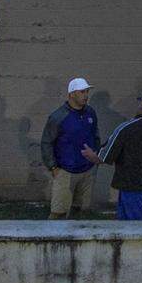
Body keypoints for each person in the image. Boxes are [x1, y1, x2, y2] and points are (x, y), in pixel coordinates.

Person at [40, 77, 101, 219]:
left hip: (87, 170)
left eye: (87, 92)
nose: (86, 95)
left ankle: (76, 239)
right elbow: (46, 142)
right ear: (71, 94)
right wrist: (53, 167)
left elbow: (95, 134)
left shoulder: (90, 113)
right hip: (65, 171)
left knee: (80, 211)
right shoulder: (58, 116)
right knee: (58, 213)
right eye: (82, 92)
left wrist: (95, 156)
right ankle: (52, 239)